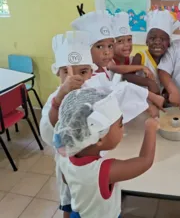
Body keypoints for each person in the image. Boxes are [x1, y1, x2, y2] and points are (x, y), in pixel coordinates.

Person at [40, 31, 164, 217]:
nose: (75, 79)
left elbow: (120, 91)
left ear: (91, 71)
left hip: (77, 166)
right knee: (70, 200)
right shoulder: (55, 99)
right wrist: (60, 97)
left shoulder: (95, 89)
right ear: (57, 72)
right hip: (81, 169)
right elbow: (49, 133)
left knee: (78, 201)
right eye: (67, 72)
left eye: (83, 72)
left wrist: (148, 98)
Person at [53, 87, 159, 218]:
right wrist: (151, 128)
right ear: (100, 137)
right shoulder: (102, 170)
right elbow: (144, 161)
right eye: (120, 124)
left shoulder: (65, 156)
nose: (123, 128)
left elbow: (66, 180)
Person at [71, 11, 154, 80]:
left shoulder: (103, 68)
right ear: (86, 48)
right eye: (99, 46)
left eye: (110, 46)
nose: (107, 52)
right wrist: (141, 67)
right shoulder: (88, 76)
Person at [124, 9, 180, 95]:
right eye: (153, 38)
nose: (157, 42)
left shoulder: (169, 58)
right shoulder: (141, 56)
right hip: (141, 101)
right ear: (146, 41)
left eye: (162, 39)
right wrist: (148, 82)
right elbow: (127, 76)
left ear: (169, 43)